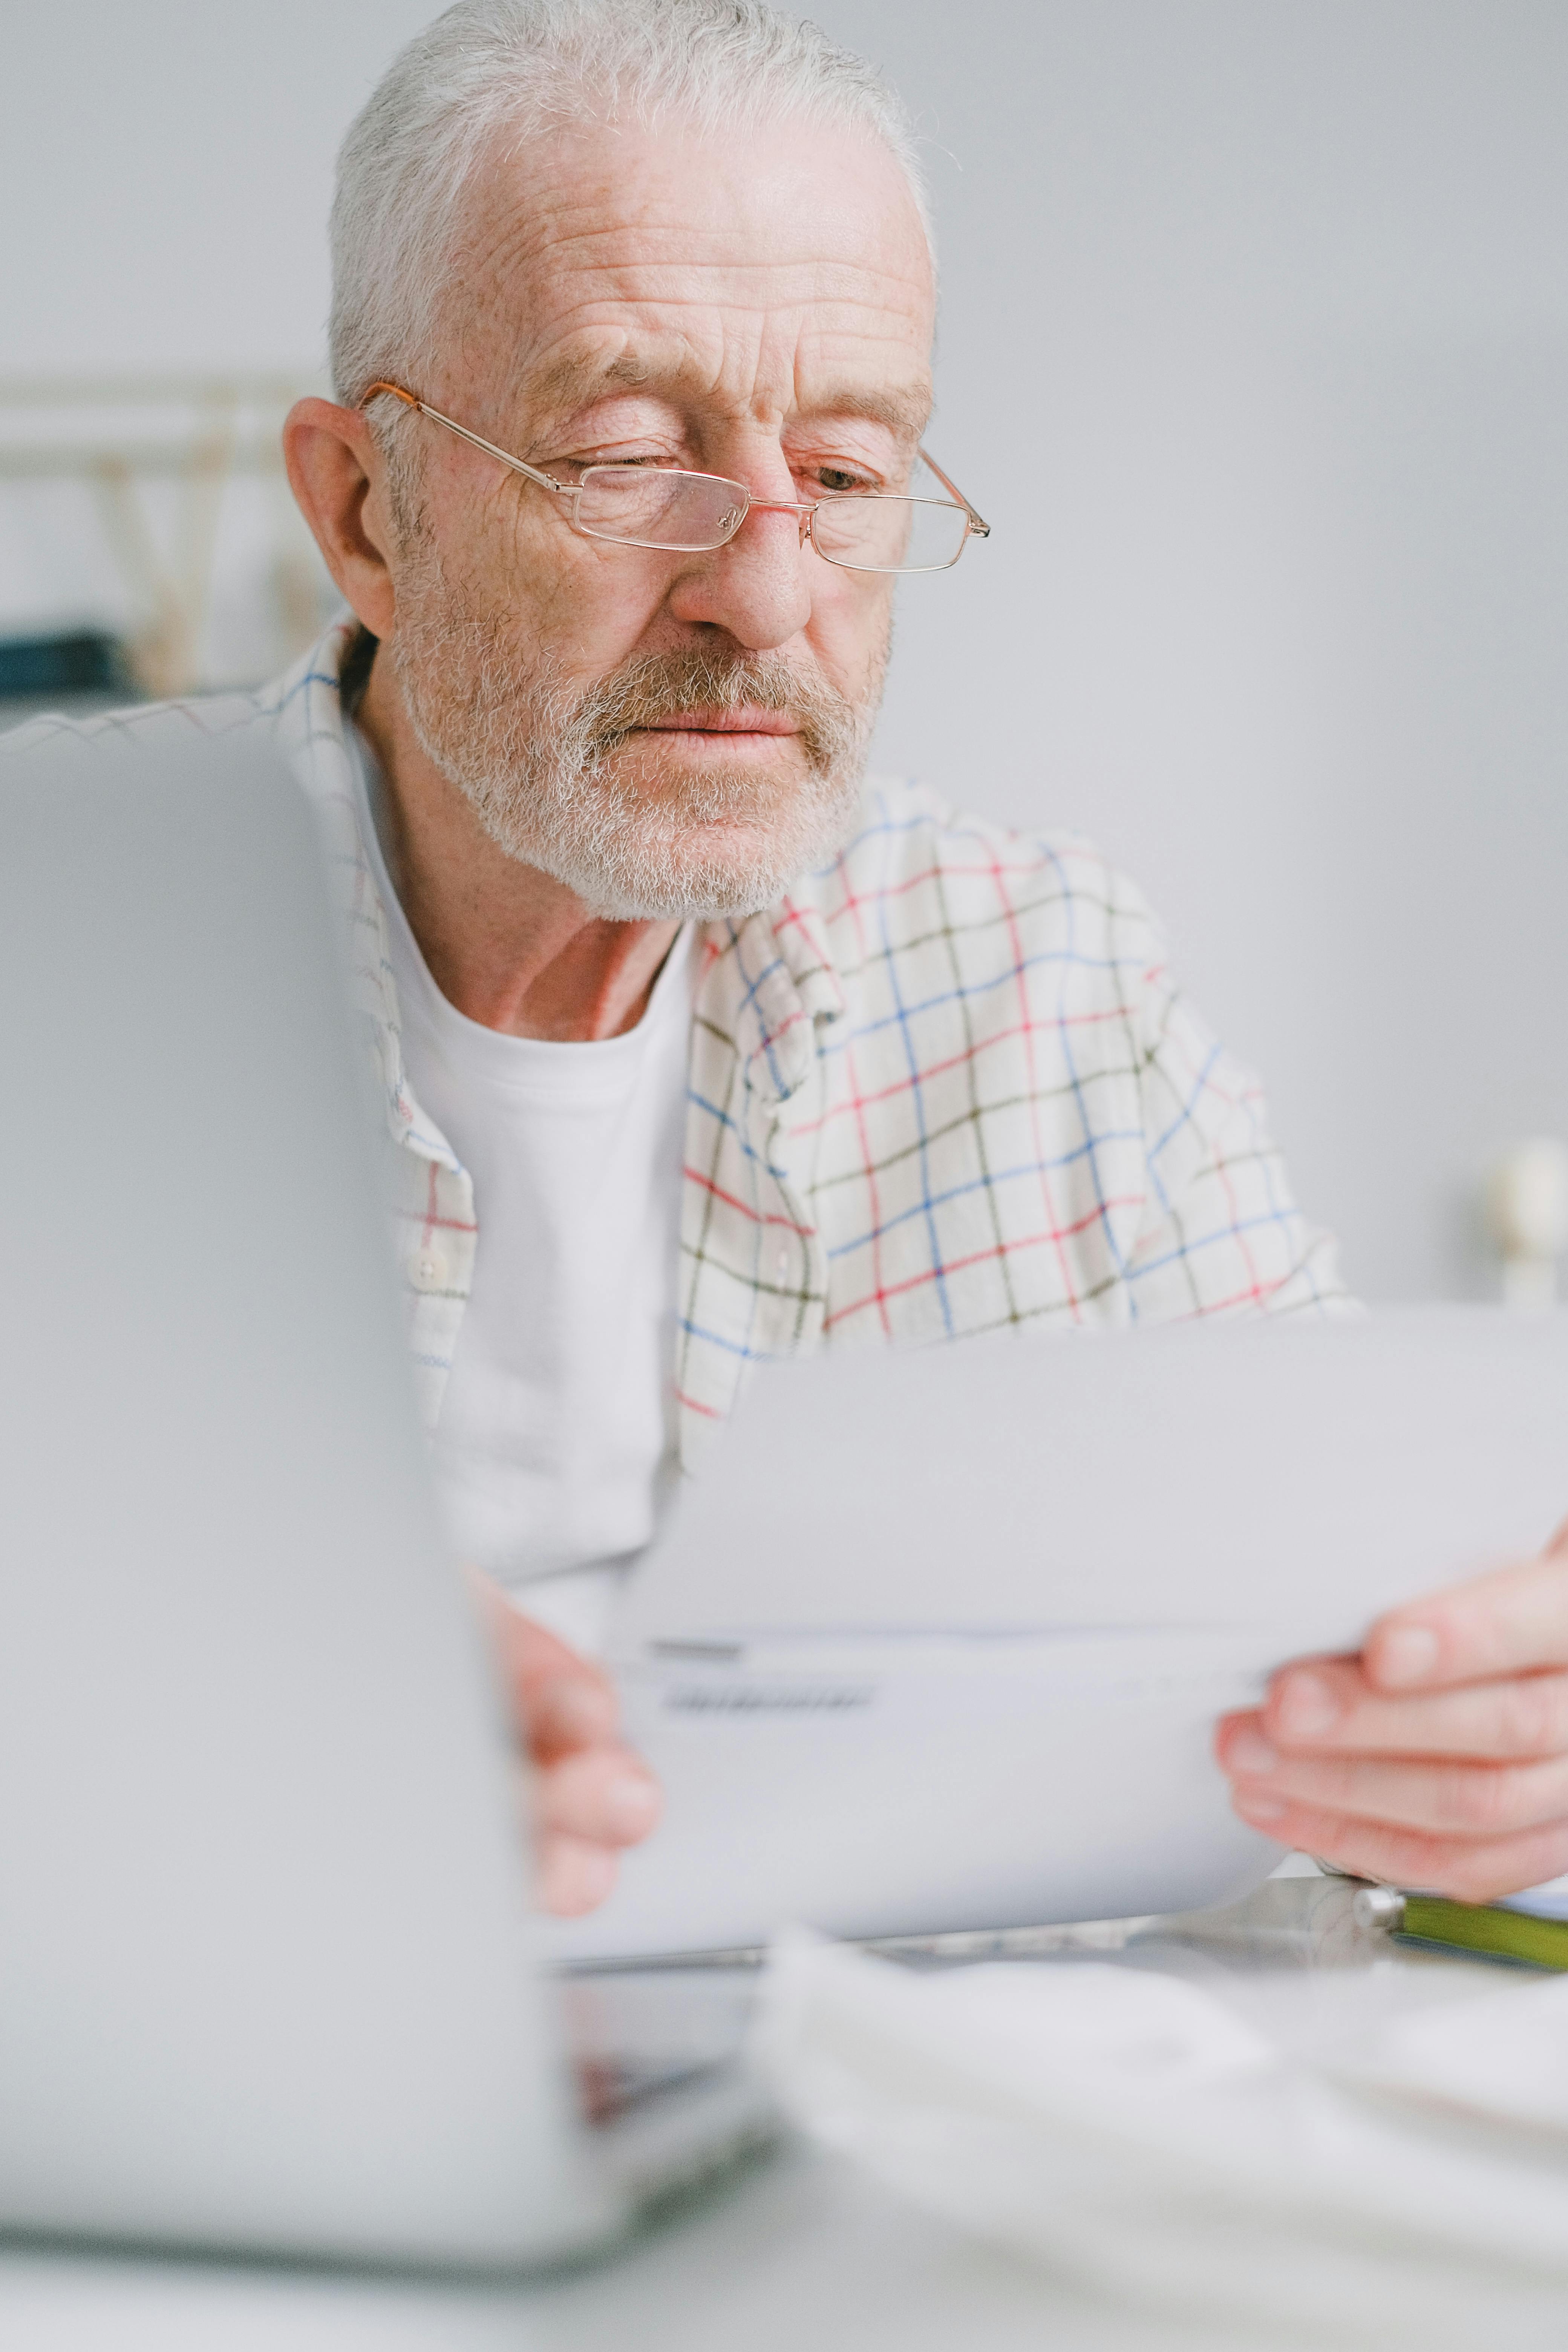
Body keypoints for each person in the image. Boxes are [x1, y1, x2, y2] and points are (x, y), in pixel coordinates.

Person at [15, 0, 1568, 1919]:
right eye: (619, 458)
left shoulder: (1043, 981)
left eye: (841, 477)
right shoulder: (52, 943)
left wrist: (1477, 1746)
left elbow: (1375, 1614)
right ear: (364, 513)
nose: (762, 595)